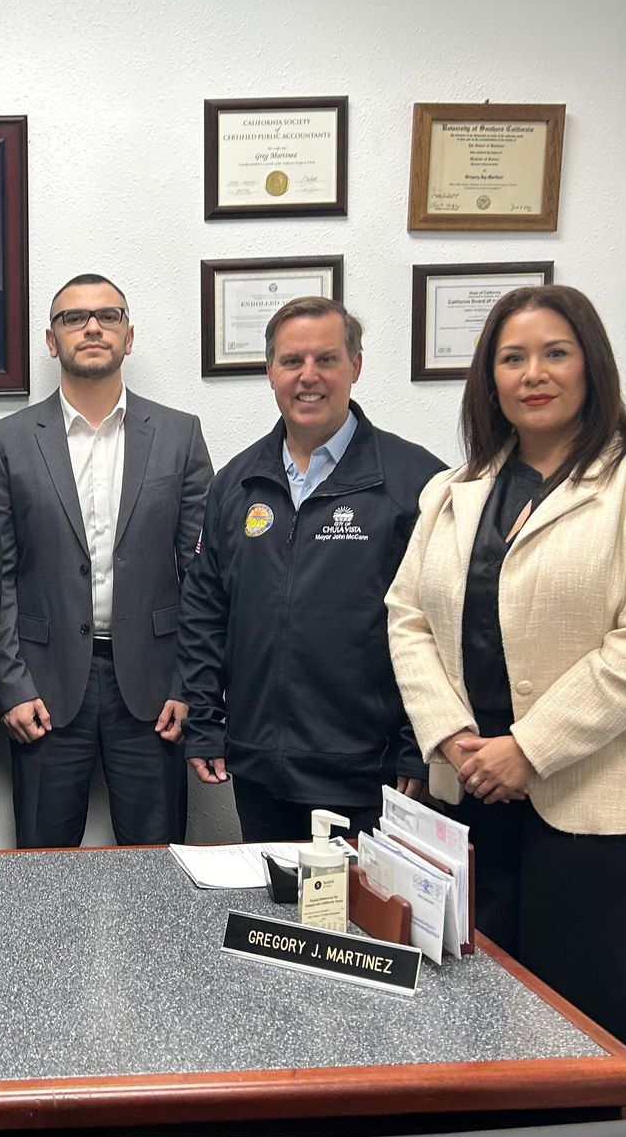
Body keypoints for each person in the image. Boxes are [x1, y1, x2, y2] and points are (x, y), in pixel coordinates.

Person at [387, 284, 626, 1050]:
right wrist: (450, 735)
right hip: (472, 788)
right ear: (489, 379)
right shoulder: (452, 492)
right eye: (513, 358)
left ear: (591, 365)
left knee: (582, 1021)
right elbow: (408, 618)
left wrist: (529, 749)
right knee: (477, 1004)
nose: (535, 373)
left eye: (555, 353)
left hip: (597, 797)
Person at [178, 296, 445, 841]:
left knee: (364, 925)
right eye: (291, 361)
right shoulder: (236, 484)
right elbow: (206, 612)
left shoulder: (416, 482)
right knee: (274, 922)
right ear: (270, 371)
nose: (309, 377)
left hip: (371, 775)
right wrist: (205, 724)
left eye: (326, 360)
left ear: (356, 367)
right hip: (258, 770)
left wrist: (422, 748)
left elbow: (442, 627)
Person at [0, 274, 212, 847]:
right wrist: (11, 684)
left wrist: (192, 684)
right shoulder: (6, 440)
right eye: (73, 318)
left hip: (157, 690)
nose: (91, 327)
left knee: (158, 868)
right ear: (52, 341)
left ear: (129, 336)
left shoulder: (179, 435)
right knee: (44, 864)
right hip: (43, 688)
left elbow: (203, 577)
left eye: (107, 316)